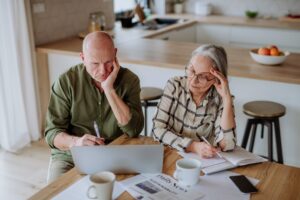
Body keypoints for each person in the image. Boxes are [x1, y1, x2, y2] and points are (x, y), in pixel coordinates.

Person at [45, 31, 144, 183]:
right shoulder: (66, 81)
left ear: (115, 54)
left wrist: (109, 89)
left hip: (114, 154)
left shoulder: (129, 80)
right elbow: (52, 133)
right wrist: (76, 143)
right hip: (71, 157)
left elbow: (134, 130)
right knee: (55, 194)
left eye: (108, 62)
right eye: (95, 64)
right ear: (83, 58)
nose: (103, 71)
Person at [152, 44, 236, 158]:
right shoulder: (175, 86)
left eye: (203, 76)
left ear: (216, 78)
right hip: (168, 154)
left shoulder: (221, 98)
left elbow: (227, 145)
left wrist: (227, 99)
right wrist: (193, 146)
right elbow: (157, 130)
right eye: (191, 70)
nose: (193, 81)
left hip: (203, 162)